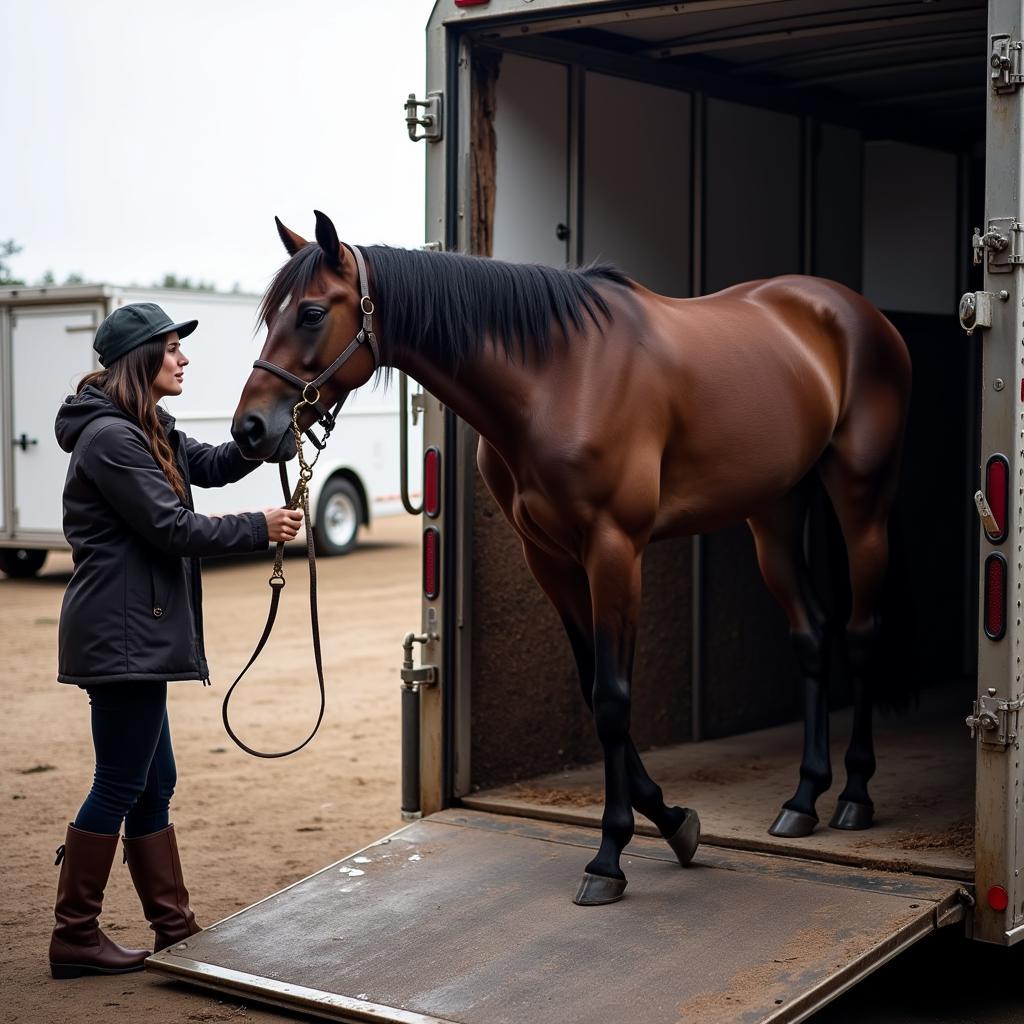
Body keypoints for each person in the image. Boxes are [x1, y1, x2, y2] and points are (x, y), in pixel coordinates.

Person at [48, 302, 303, 979]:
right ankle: (75, 933)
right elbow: (172, 528)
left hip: (134, 635)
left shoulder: (147, 428)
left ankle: (174, 930)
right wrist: (262, 526)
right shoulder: (111, 440)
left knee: (154, 780)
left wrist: (272, 432)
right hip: (120, 637)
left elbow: (214, 465)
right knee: (121, 781)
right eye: (171, 349)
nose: (183, 359)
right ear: (141, 360)